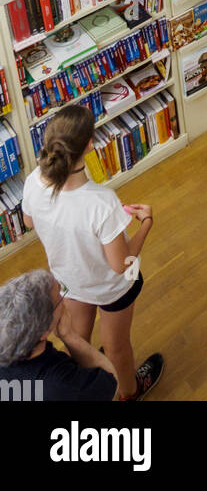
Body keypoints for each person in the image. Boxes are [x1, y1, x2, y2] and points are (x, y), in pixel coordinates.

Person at [21, 104, 161, 401]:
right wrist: (146, 224)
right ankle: (128, 392)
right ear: (89, 146)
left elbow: (29, 221)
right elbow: (122, 264)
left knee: (77, 339)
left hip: (70, 282)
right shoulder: (102, 202)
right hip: (113, 289)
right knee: (117, 347)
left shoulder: (33, 181)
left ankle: (84, 387)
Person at [0, 269, 117, 401]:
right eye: (60, 297)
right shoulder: (61, 384)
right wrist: (68, 335)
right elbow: (110, 378)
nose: (65, 302)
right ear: (44, 330)